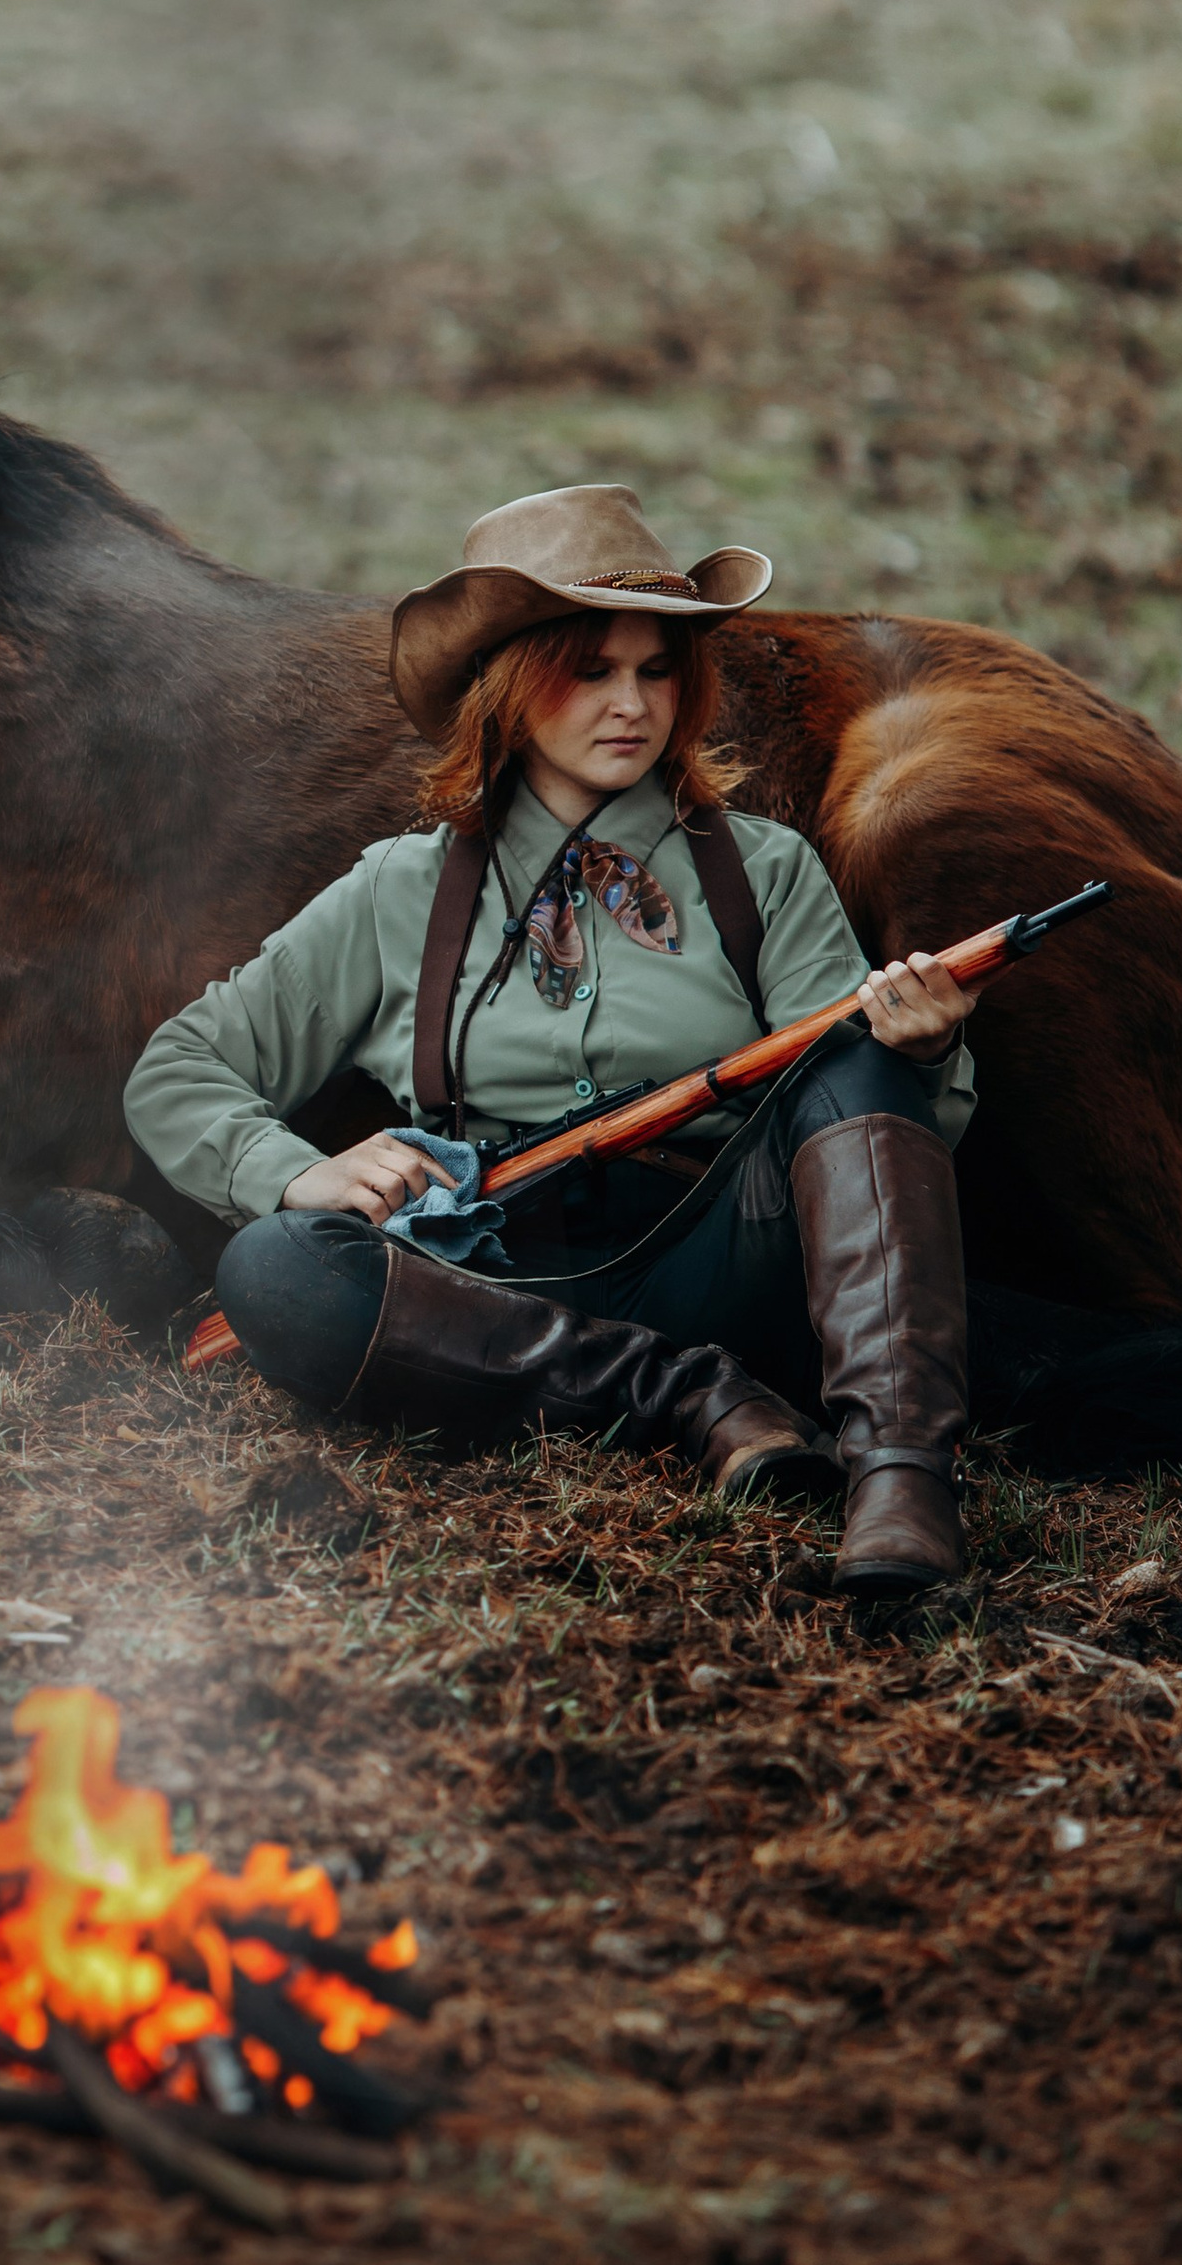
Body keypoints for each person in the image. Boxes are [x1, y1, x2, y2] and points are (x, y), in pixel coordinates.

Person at [124, 485, 977, 1594]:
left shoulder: (759, 867)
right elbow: (177, 1068)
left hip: (729, 1245)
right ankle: (688, 1397)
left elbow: (864, 1125)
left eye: (656, 670)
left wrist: (918, 1053)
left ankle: (900, 1483)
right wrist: (298, 1173)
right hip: (497, 1290)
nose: (632, 704)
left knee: (853, 1040)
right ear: (511, 689)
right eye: (591, 669)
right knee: (275, 1270)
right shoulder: (400, 893)